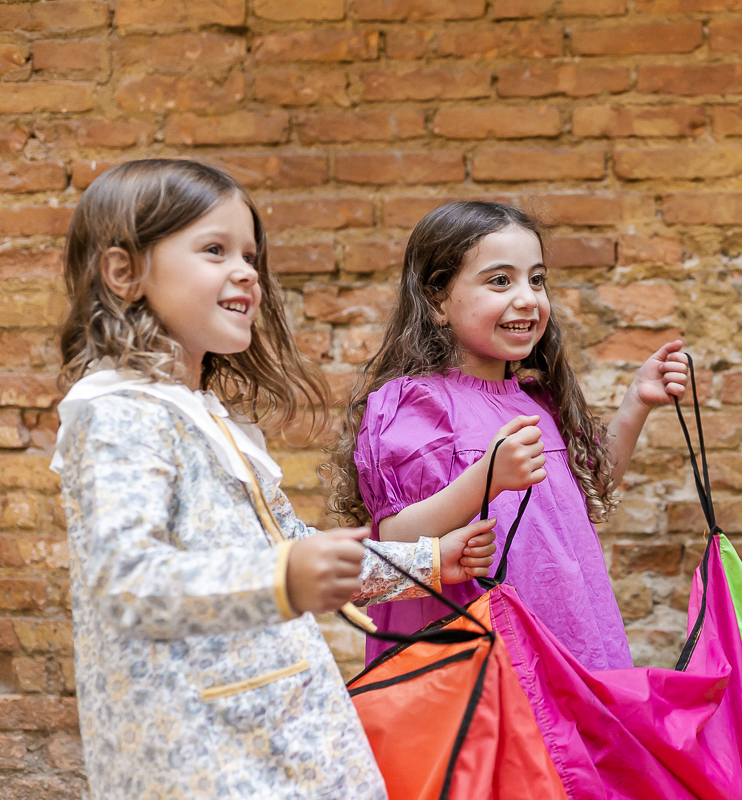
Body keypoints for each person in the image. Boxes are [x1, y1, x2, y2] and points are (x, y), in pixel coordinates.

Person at [52, 159, 497, 799]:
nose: (246, 272)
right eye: (214, 249)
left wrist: (428, 558)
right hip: (200, 751)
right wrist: (281, 578)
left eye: (250, 256)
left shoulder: (211, 420)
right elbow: (124, 584)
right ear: (125, 273)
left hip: (277, 731)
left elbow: (294, 542)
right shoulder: (118, 413)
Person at [329, 200, 689, 671]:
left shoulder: (537, 398)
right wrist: (487, 477)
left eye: (536, 280)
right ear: (437, 301)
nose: (527, 298)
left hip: (569, 626)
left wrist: (636, 403)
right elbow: (396, 536)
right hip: (482, 648)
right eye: (501, 280)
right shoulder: (418, 404)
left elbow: (591, 487)